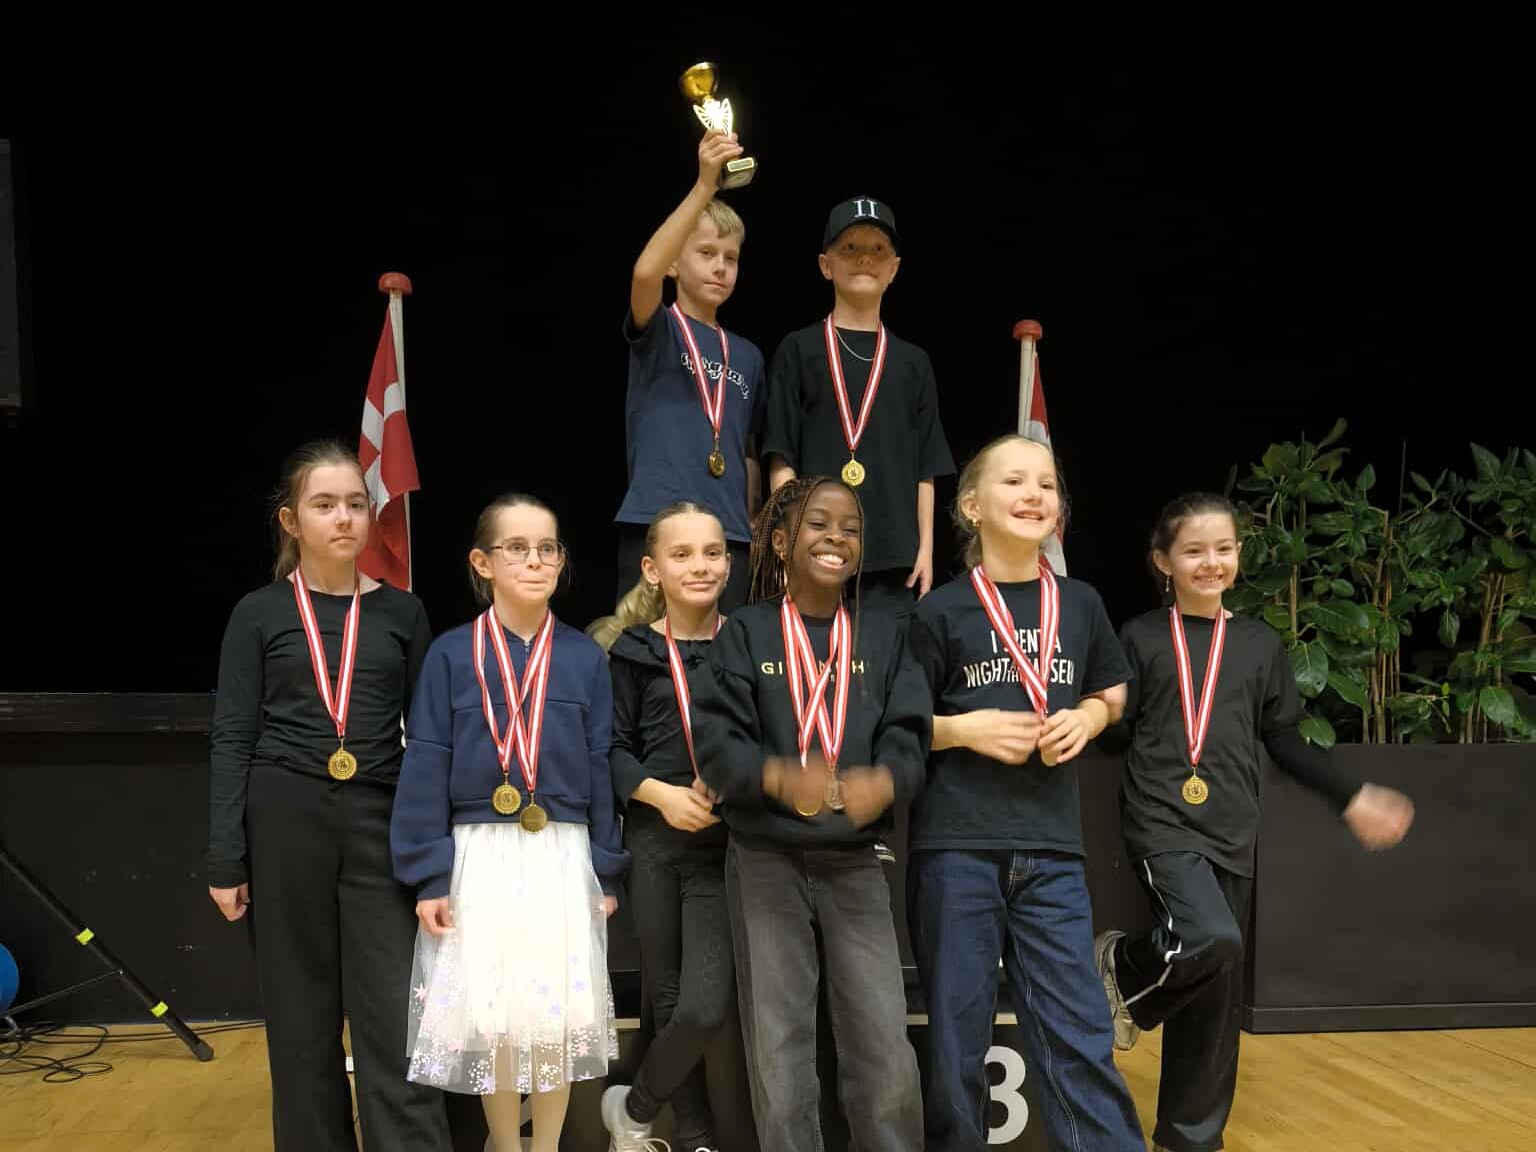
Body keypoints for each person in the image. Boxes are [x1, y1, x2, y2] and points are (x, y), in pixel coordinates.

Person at [1097, 491, 1415, 1152]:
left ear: (1239, 554)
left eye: (1224, 548)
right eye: (1193, 550)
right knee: (1209, 938)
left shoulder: (1260, 643)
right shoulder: (1140, 637)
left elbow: (1287, 741)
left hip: (1233, 829)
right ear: (1163, 561)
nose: (1211, 562)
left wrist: (1350, 796)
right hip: (1162, 821)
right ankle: (1122, 970)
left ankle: (1190, 1141)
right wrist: (1099, 706)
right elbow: (1115, 737)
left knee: (1213, 1001)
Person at [905, 433, 1147, 1151]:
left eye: (1046, 483)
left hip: (1053, 852)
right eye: (1015, 481)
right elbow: (902, 727)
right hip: (957, 848)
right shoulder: (939, 612)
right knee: (956, 1044)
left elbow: (1112, 691)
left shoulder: (1080, 602)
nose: (1034, 494)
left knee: (1078, 1032)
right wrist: (964, 729)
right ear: (972, 506)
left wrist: (1091, 713)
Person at [206, 439, 450, 1151]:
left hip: (381, 820)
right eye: (324, 504)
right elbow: (231, 737)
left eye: (355, 503)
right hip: (284, 822)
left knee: (395, 1018)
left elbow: (430, 745)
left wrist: (432, 855)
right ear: (290, 520)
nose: (344, 517)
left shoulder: (404, 613)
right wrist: (226, 855)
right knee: (300, 1021)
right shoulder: (257, 614)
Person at [689, 475, 931, 1152]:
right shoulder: (746, 633)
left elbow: (911, 737)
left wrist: (884, 782)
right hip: (765, 860)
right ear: (779, 541)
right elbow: (714, 744)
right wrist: (773, 776)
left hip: (854, 861)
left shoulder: (884, 636)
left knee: (883, 1047)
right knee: (780, 1047)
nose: (836, 539)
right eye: (818, 525)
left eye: (850, 528)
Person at [390, 494, 627, 1152]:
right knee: (492, 1016)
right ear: (482, 562)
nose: (535, 560)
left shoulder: (584, 658)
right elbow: (427, 767)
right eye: (516, 548)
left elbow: (602, 767)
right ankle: (503, 1141)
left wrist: (606, 869)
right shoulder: (448, 656)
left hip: (561, 853)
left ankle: (544, 1146)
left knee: (553, 1015)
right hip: (479, 857)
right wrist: (428, 874)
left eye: (547, 548)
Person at [591, 501, 735, 1152]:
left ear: (729, 563)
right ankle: (697, 1136)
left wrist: (735, 777)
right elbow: (612, 750)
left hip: (723, 847)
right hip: (654, 841)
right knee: (667, 1001)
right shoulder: (634, 651)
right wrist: (661, 796)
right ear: (652, 569)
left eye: (712, 552)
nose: (699, 565)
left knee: (703, 1007)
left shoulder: (748, 641)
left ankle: (635, 1105)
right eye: (681, 554)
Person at [761, 196, 954, 623]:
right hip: (815, 552)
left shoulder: (913, 361)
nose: (865, 258)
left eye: (878, 250)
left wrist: (925, 549)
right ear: (825, 264)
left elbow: (927, 467)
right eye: (849, 248)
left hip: (894, 558)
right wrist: (788, 543)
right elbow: (781, 455)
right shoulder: (799, 349)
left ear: (895, 269)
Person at [614, 127, 766, 614]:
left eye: (731, 258)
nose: (720, 267)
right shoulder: (659, 330)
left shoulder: (747, 354)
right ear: (675, 264)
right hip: (655, 524)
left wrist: (751, 528)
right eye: (705, 253)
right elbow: (643, 275)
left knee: (721, 675)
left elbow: (746, 453)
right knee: (643, 665)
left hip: (728, 537)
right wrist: (705, 185)